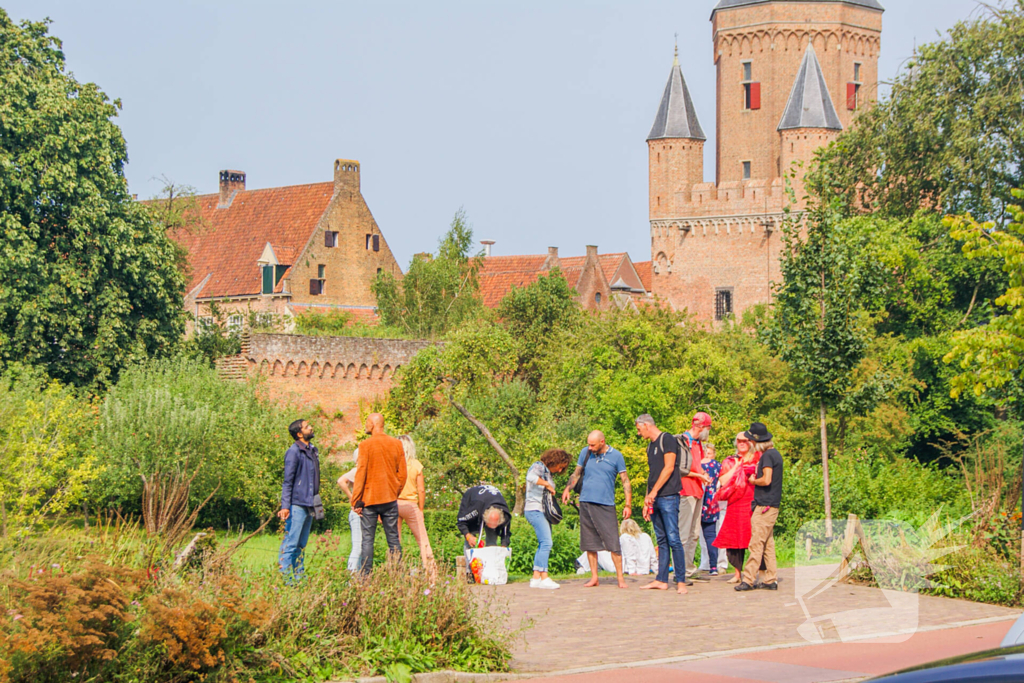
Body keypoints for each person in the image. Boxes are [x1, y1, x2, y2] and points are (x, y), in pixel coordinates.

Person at [562, 430, 631, 589]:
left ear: (602, 442)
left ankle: (620, 578)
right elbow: (577, 474)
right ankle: (594, 577)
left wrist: (628, 504)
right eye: (588, 444)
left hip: (606, 504)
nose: (590, 447)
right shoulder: (585, 452)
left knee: (613, 541)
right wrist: (567, 489)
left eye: (593, 445)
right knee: (589, 542)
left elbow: (625, 480)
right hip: (586, 502)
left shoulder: (616, 456)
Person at [635, 413, 688, 594]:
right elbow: (653, 473)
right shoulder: (650, 446)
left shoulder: (667, 439)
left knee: (674, 538)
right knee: (662, 539)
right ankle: (661, 579)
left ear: (647, 425)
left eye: (639, 429)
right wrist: (647, 499)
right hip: (655, 498)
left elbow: (669, 467)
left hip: (668, 495)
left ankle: (681, 580)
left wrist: (655, 492)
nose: (638, 433)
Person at [351, 413, 407, 574]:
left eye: (367, 422)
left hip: (370, 500)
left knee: (368, 540)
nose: (366, 425)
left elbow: (361, 473)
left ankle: (366, 578)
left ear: (374, 424)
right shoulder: (396, 444)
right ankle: (398, 575)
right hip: (389, 499)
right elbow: (402, 474)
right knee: (393, 539)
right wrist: (394, 491)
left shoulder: (365, 445)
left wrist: (356, 500)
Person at [737, 422, 784, 592]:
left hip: (764, 505)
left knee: (756, 543)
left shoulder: (766, 457)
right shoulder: (776, 454)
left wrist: (753, 481)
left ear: (756, 441)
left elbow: (767, 479)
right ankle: (771, 578)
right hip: (773, 505)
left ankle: (748, 579)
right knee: (768, 544)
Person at [714, 432, 761, 584]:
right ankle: (737, 573)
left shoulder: (758, 457)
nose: (742, 443)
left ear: (751, 442)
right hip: (735, 501)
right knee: (735, 537)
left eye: (745, 441)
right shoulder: (729, 461)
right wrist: (737, 466)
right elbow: (722, 480)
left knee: (754, 536)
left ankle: (756, 572)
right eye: (739, 441)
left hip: (752, 500)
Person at [278, 419, 320, 580]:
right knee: (291, 543)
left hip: (310, 503)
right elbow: (288, 481)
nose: (311, 427)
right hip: (297, 505)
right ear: (299, 434)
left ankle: (298, 578)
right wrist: (285, 506)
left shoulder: (312, 450)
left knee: (301, 545)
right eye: (307, 427)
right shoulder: (294, 451)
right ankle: (285, 579)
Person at [525, 448, 571, 589]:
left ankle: (537, 577)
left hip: (542, 511)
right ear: (554, 460)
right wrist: (547, 485)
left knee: (543, 543)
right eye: (559, 466)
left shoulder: (547, 473)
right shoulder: (538, 466)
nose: (559, 470)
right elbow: (530, 477)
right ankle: (543, 578)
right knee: (546, 543)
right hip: (534, 509)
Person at [678, 412, 714, 580]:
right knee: (684, 533)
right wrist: (699, 476)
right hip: (686, 490)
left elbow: (696, 466)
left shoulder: (699, 444)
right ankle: (681, 570)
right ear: (701, 427)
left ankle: (689, 568)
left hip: (698, 490)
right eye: (708, 428)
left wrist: (703, 475)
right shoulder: (683, 441)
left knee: (694, 534)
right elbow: (680, 468)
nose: (708, 432)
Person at [395, 435, 435, 572]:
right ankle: (432, 576)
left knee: (395, 541)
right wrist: (421, 509)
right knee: (423, 541)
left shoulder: (393, 464)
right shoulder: (416, 464)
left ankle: (394, 574)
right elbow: (421, 489)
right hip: (410, 505)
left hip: (394, 504)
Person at [456, 484, 512, 578]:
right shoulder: (475, 509)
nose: (492, 527)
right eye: (490, 525)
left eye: (495, 526)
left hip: (488, 503)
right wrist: (468, 536)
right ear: (484, 519)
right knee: (470, 540)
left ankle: (490, 571)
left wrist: (503, 548)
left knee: (492, 540)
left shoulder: (505, 515)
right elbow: (461, 522)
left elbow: (506, 534)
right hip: (473, 500)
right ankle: (469, 573)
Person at [697, 442, 728, 575]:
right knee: (711, 535)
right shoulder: (717, 465)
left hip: (698, 499)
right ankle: (714, 566)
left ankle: (694, 564)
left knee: (695, 535)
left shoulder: (697, 465)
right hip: (712, 501)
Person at [336, 446, 362, 572]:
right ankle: (351, 576)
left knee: (362, 546)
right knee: (357, 546)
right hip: (357, 513)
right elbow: (341, 481)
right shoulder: (357, 470)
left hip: (361, 512)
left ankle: (359, 576)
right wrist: (352, 498)